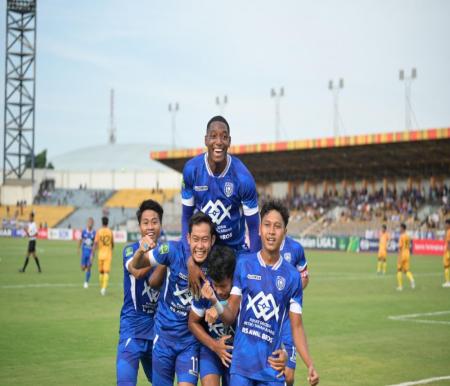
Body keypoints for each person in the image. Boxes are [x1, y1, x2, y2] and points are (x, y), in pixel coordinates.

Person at [203, 200, 319, 386]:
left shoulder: (292, 277)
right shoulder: (243, 264)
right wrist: (215, 302)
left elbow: (296, 327)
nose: (271, 231)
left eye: (277, 227)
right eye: (266, 225)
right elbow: (231, 314)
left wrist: (310, 364)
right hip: (241, 367)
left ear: (285, 233)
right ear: (259, 230)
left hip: (272, 367)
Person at [131, 211, 216, 386]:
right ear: (188, 238)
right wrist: (141, 251)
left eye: (205, 239)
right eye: (196, 239)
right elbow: (137, 264)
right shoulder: (171, 250)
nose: (200, 245)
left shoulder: (217, 264)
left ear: (212, 240)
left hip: (189, 343)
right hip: (163, 338)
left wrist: (217, 306)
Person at [189, 245, 287, 386]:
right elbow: (192, 322)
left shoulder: (248, 292)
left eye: (223, 286)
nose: (218, 291)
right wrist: (215, 346)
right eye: (215, 285)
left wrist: (283, 349)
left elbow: (267, 323)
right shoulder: (206, 289)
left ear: (234, 278)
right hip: (211, 349)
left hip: (239, 353)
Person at [181, 116, 260, 252]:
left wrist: (254, 263)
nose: (218, 142)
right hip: (204, 249)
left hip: (234, 250)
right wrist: (188, 255)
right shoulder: (191, 170)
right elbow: (186, 216)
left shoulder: (243, 178)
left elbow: (253, 227)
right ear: (206, 140)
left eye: (224, 137)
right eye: (213, 136)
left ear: (229, 141)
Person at [116, 199, 167, 386]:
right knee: (125, 382)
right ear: (139, 226)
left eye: (154, 221)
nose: (150, 226)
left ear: (160, 224)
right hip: (132, 328)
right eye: (145, 222)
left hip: (158, 332)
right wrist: (157, 257)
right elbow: (136, 271)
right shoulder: (130, 250)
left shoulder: (167, 250)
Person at [279, 235, 310, 386]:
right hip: (268, 317)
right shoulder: (260, 245)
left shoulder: (295, 248)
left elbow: (304, 277)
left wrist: (293, 291)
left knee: (289, 376)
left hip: (288, 319)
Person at [91, 216, 114, 296]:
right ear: (107, 222)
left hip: (100, 254)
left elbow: (95, 243)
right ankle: (103, 289)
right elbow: (112, 243)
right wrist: (112, 250)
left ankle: (102, 288)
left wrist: (92, 254)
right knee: (106, 272)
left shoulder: (99, 231)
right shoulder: (110, 232)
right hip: (108, 254)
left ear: (102, 222)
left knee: (101, 272)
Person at [397, 223, 415, 291]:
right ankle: (412, 280)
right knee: (406, 270)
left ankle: (400, 286)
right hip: (407, 254)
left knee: (399, 270)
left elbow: (400, 247)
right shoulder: (408, 236)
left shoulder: (401, 236)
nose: (400, 229)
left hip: (402, 254)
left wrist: (399, 256)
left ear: (403, 228)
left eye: (400, 228)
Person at [78, 217, 96, 288]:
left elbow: (95, 243)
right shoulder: (84, 232)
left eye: (91, 222)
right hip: (84, 252)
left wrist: (93, 253)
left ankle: (86, 282)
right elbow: (80, 240)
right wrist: (78, 248)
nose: (90, 224)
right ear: (87, 223)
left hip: (91, 252)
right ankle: (86, 269)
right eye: (89, 222)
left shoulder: (94, 233)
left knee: (89, 267)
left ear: (93, 224)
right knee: (83, 268)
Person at [442, 218, 450, 287]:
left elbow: (449, 242)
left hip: (448, 252)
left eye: (446, 224)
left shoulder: (449, 232)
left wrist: (448, 250)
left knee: (446, 266)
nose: (445, 225)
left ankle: (447, 282)